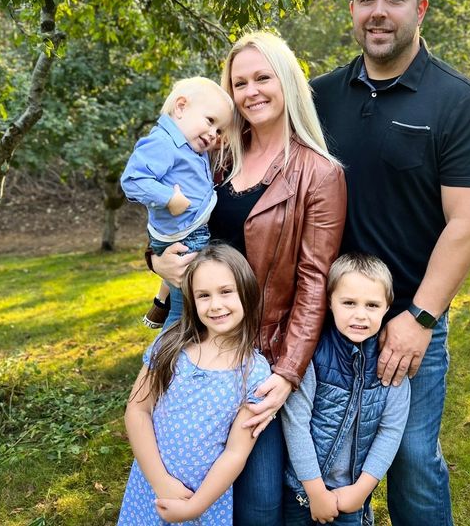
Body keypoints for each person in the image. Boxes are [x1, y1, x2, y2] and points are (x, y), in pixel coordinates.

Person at [311, 0, 470, 526]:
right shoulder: (317, 98)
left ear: (419, 9)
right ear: (352, 9)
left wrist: (419, 318)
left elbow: (469, 223)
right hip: (326, 319)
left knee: (413, 461)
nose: (379, 11)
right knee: (331, 459)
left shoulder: (459, 102)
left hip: (411, 320)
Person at [147, 31, 347, 524]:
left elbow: (314, 283)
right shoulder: (213, 157)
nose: (251, 91)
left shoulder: (320, 174)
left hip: (260, 357)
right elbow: (168, 225)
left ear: (287, 82)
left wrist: (287, 372)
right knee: (177, 475)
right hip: (194, 341)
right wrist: (156, 261)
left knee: (257, 500)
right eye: (239, 83)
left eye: (263, 78)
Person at [117, 244, 272, 525]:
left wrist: (195, 507)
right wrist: (160, 482)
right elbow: (137, 411)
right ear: (192, 300)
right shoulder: (171, 345)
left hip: (203, 499)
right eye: (204, 295)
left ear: (247, 292)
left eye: (226, 291)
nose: (215, 305)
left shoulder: (255, 371)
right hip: (150, 488)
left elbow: (235, 452)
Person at [282, 253, 410, 526]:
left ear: (387, 307)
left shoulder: (390, 364)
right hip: (302, 490)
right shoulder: (312, 356)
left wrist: (360, 491)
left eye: (372, 305)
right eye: (349, 303)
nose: (360, 315)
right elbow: (296, 423)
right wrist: (315, 492)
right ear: (330, 302)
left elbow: (390, 432)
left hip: (351, 494)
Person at [121, 77, 233, 329]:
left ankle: (162, 308)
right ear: (180, 107)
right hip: (185, 237)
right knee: (185, 314)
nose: (213, 134)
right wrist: (169, 198)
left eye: (219, 130)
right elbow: (132, 179)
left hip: (190, 231)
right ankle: (164, 351)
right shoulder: (162, 143)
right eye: (210, 121)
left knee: (194, 308)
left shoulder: (189, 145)